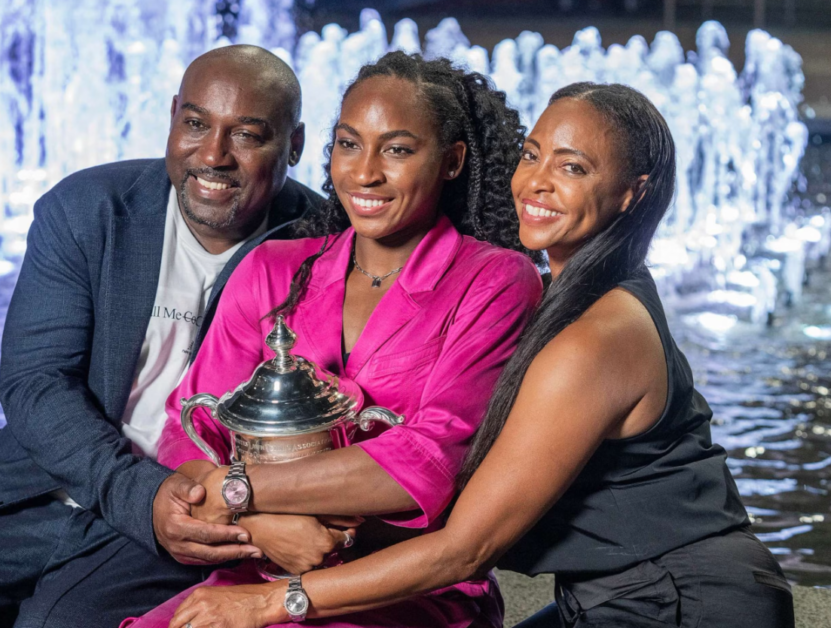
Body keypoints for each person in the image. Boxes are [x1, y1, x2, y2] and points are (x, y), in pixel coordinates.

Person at [164, 83, 796, 628]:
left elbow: (466, 549)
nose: (538, 182)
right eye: (532, 155)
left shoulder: (596, 338)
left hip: (687, 601)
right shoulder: (576, 292)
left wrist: (270, 603)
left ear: (632, 194)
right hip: (622, 595)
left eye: (573, 168)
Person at [0, 45, 323, 628]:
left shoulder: (323, 245)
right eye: (195, 124)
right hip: (43, 484)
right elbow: (35, 382)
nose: (213, 155)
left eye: (246, 135)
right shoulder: (88, 209)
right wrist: (135, 491)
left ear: (293, 145)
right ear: (172, 117)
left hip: (193, 508)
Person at [121, 51, 543, 628]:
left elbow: (430, 462)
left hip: (401, 587)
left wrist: (241, 490)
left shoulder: (494, 280)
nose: (364, 172)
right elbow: (190, 433)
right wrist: (262, 526)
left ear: (451, 161)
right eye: (348, 144)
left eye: (396, 149)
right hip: (254, 570)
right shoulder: (273, 268)